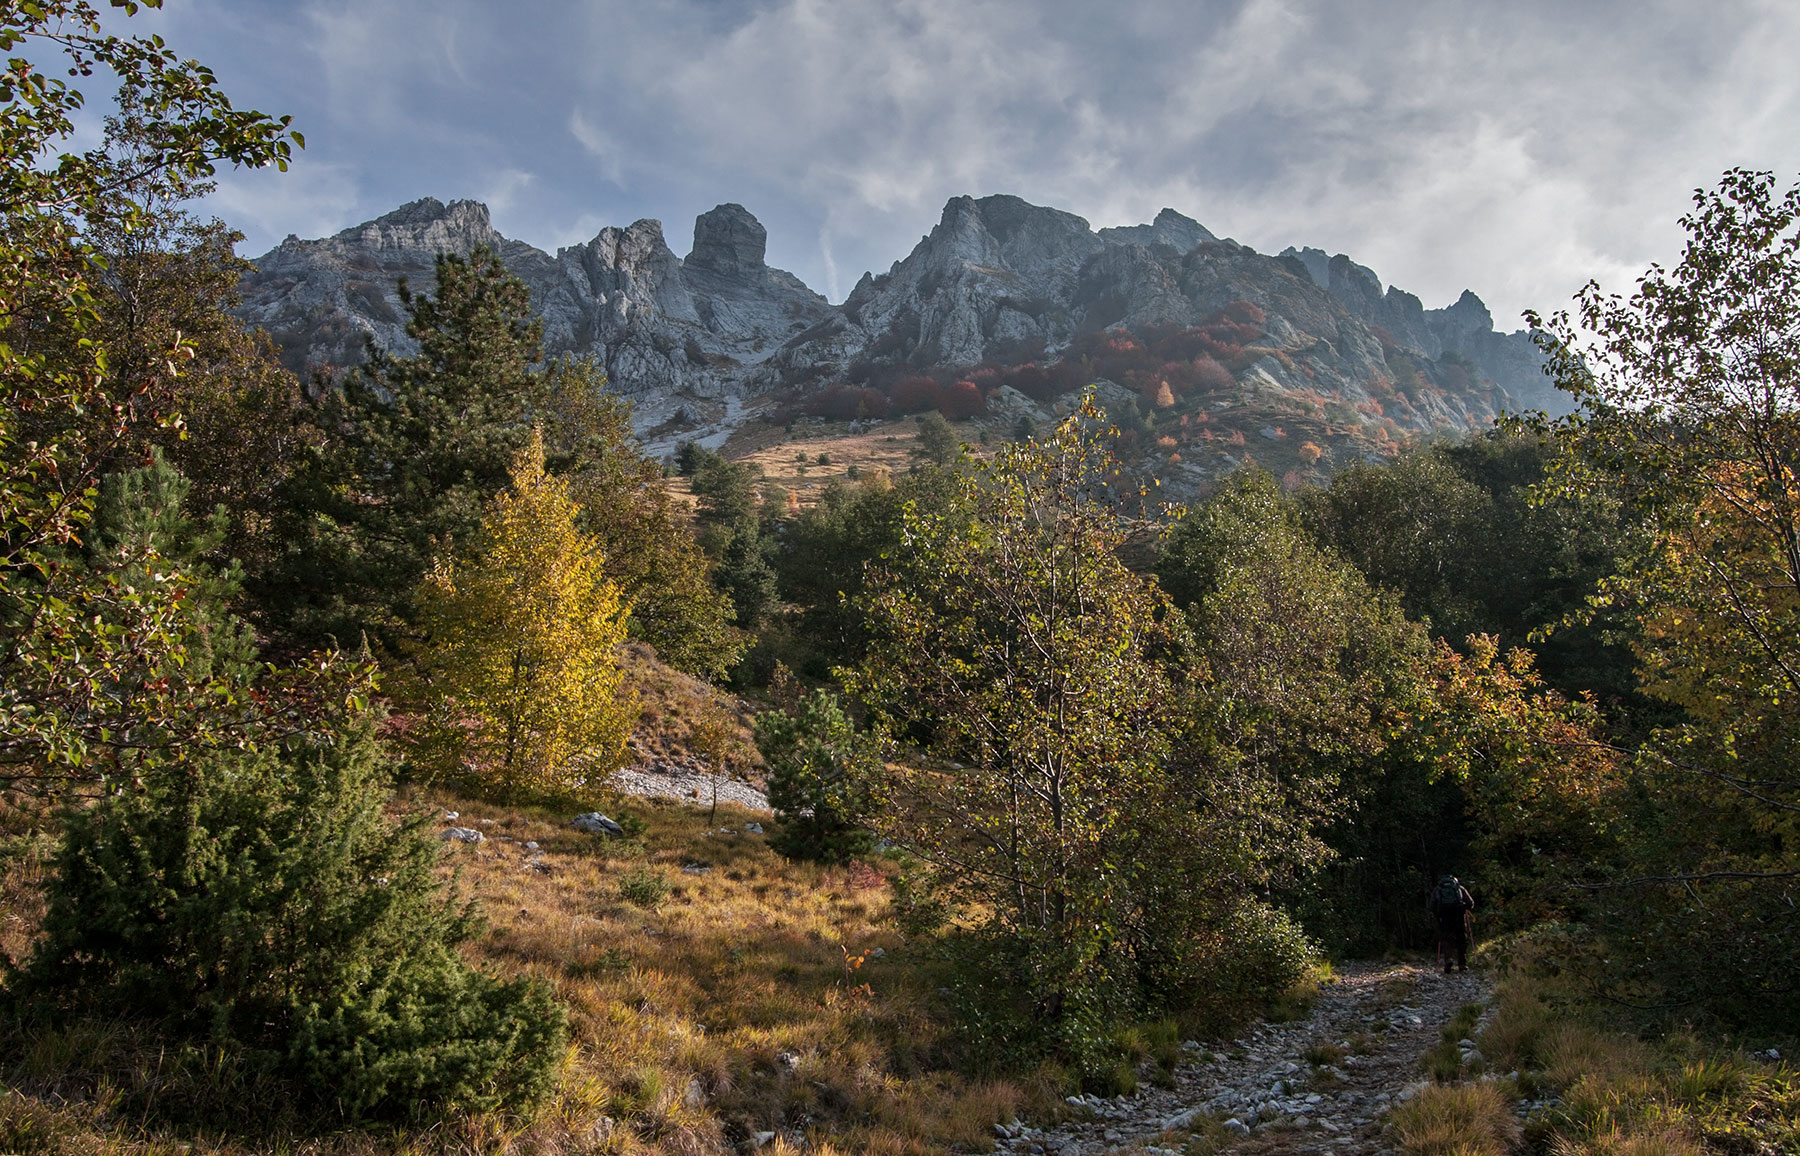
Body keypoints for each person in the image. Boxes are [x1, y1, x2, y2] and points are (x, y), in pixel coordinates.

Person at [1430, 875, 1475, 973]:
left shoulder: (1438, 889)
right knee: (1461, 939)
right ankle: (1462, 964)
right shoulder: (1459, 888)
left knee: (1446, 938)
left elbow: (1432, 905)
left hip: (1444, 917)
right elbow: (1471, 903)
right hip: (1458, 916)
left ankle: (1448, 960)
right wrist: (1464, 908)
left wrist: (1438, 914)